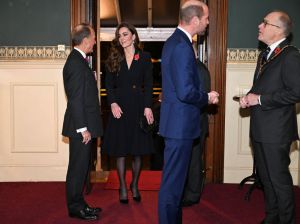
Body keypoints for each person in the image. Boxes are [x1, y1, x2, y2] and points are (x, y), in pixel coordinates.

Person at [158, 1, 219, 223]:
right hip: (180, 126)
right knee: (173, 185)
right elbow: (185, 92)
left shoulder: (174, 41)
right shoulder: (183, 46)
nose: (208, 22)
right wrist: (207, 97)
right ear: (194, 20)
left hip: (176, 124)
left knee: (174, 182)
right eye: (206, 18)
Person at [239, 10, 300, 224]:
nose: (259, 26)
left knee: (279, 181)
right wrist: (249, 97)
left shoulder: (290, 55)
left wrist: (261, 100)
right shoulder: (265, 54)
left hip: (276, 131)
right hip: (260, 130)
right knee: (266, 179)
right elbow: (263, 88)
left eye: (264, 23)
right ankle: (272, 217)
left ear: (277, 30)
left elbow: (297, 91)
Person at [102, 22, 154, 204]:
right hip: (120, 108)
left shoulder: (145, 57)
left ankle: (135, 185)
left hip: (139, 106)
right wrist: (113, 103)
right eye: (119, 35)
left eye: (125, 34)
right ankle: (123, 186)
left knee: (138, 151)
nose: (122, 38)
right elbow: (108, 84)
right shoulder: (114, 57)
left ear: (133, 35)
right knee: (121, 151)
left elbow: (148, 84)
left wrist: (148, 106)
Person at [62, 23, 103, 220]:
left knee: (81, 167)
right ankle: (75, 207)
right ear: (86, 40)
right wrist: (83, 129)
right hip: (80, 127)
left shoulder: (78, 60)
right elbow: (76, 99)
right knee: (77, 168)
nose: (95, 41)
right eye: (93, 38)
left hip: (83, 125)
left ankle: (79, 204)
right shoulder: (76, 64)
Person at [181, 59, 211, 207]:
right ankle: (188, 192)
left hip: (196, 122)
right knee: (189, 159)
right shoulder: (190, 66)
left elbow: (201, 98)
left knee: (194, 160)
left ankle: (193, 195)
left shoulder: (198, 69)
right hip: (190, 122)